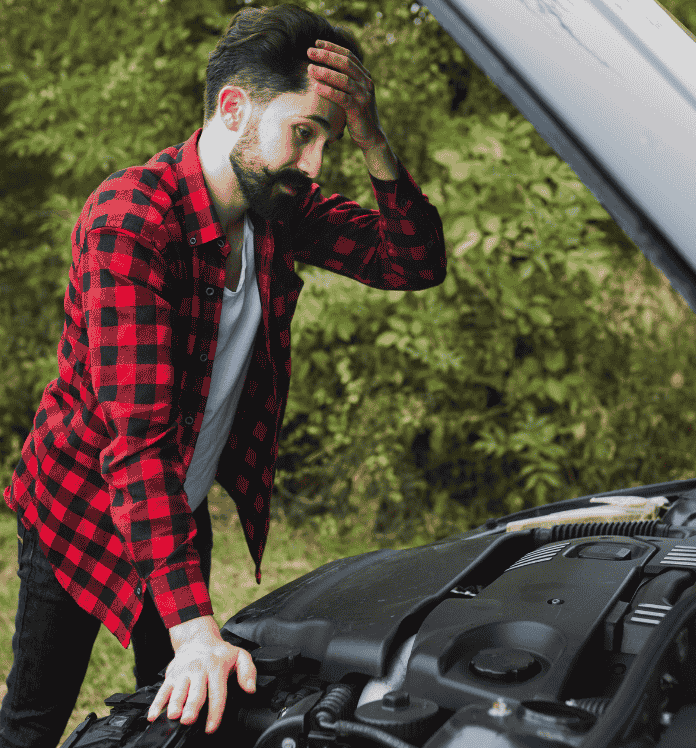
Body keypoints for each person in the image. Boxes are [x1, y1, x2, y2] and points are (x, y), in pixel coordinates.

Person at [0, 4, 446, 746]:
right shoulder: (130, 221)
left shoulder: (277, 208)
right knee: (32, 724)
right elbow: (137, 442)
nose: (314, 165)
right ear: (234, 109)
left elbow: (413, 261)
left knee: (173, 722)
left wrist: (371, 136)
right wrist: (195, 629)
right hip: (82, 508)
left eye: (327, 142)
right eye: (303, 134)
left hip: (175, 509)